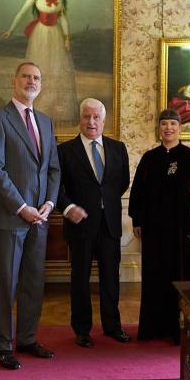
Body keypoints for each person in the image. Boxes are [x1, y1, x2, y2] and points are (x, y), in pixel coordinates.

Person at [0, 62, 60, 369]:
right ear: (14, 81)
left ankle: (27, 338)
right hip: (11, 218)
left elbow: (53, 168)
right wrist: (22, 207)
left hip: (40, 218)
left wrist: (49, 205)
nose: (31, 81)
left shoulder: (45, 121)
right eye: (26, 76)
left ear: (41, 84)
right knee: (7, 282)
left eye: (36, 77)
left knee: (33, 281)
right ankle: (3, 344)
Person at [128, 109, 190, 344]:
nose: (168, 128)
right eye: (164, 123)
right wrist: (138, 220)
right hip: (155, 232)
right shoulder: (149, 158)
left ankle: (185, 330)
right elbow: (138, 193)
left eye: (173, 124)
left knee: (185, 278)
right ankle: (155, 328)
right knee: (156, 278)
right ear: (159, 128)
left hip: (187, 232)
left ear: (180, 128)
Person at [57, 98, 131, 348]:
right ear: (80, 119)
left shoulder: (118, 148)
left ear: (103, 120)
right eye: (87, 117)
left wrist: (104, 202)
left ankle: (112, 326)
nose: (91, 122)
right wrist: (68, 208)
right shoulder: (65, 151)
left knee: (111, 278)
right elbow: (56, 188)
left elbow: (121, 182)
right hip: (80, 226)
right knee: (80, 279)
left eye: (96, 117)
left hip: (109, 224)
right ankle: (82, 329)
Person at [1, 0, 78, 125]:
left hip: (55, 35)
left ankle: (56, 110)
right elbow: (21, 13)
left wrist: (66, 38)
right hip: (40, 35)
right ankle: (39, 109)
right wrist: (10, 30)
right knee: (39, 68)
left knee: (56, 69)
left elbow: (63, 18)